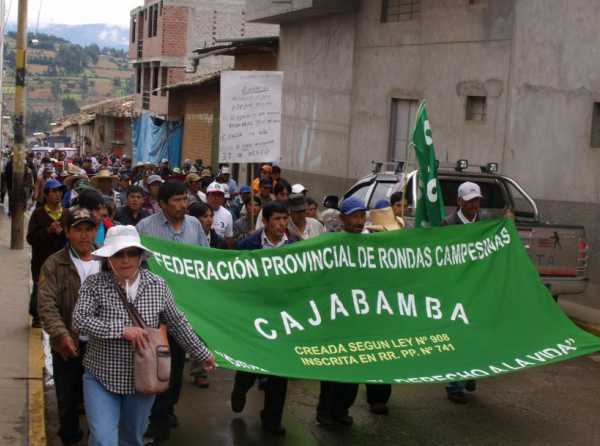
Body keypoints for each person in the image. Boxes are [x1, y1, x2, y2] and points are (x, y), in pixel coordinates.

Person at [72, 225, 215, 446]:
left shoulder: (158, 285)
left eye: (132, 253)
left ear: (140, 256)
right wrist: (121, 330)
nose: (125, 260)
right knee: (102, 440)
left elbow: (177, 323)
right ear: (108, 258)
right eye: (118, 254)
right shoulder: (95, 285)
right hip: (101, 375)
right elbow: (79, 320)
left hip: (144, 380)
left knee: (132, 439)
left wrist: (201, 353)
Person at [136, 181, 209, 444]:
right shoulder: (145, 228)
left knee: (175, 369)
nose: (182, 205)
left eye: (184, 199)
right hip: (153, 314)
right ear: (162, 204)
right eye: (176, 200)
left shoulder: (194, 226)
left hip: (184, 312)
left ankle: (168, 408)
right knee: (155, 366)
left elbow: (204, 260)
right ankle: (157, 417)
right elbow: (134, 265)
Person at [230, 202, 294, 435]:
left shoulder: (297, 247)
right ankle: (241, 386)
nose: (282, 224)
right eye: (277, 219)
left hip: (283, 318)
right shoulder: (247, 246)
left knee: (279, 370)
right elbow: (233, 278)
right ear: (265, 222)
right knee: (251, 362)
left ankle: (272, 419)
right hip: (254, 315)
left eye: (285, 219)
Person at [38, 208, 99, 445]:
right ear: (67, 232)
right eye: (78, 230)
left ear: (95, 232)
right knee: (67, 400)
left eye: (88, 229)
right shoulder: (53, 264)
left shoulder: (106, 262)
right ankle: (70, 437)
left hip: (99, 345)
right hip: (66, 346)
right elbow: (46, 305)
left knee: (99, 400)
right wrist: (61, 335)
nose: (84, 236)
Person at [316, 197, 367, 426]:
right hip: (335, 316)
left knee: (354, 368)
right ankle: (325, 412)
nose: (359, 221)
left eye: (362, 216)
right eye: (354, 216)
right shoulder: (331, 243)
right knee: (332, 368)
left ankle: (342, 410)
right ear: (343, 218)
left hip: (359, 317)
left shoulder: (372, 244)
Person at [26, 179, 68, 327]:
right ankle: (36, 316)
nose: (58, 195)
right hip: (41, 260)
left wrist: (61, 232)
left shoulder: (67, 214)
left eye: (60, 191)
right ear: (46, 195)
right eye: (54, 191)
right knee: (40, 287)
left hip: (62, 261)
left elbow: (70, 238)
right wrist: (48, 231)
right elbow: (30, 238)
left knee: (59, 290)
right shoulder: (38, 214)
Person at [206, 181, 234, 245]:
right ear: (207, 196)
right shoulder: (199, 211)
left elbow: (228, 238)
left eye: (219, 195)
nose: (216, 198)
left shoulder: (227, 215)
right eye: (213, 195)